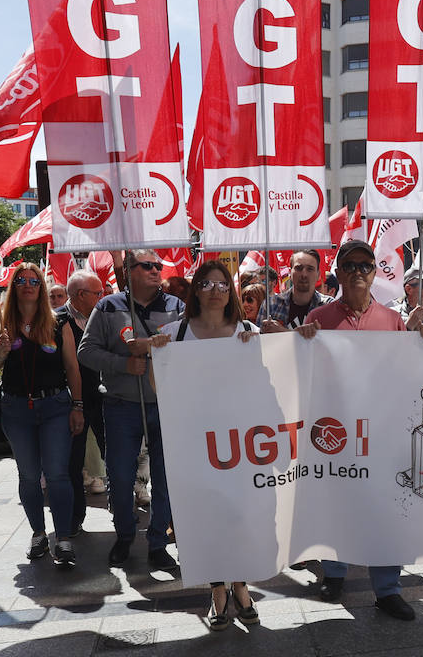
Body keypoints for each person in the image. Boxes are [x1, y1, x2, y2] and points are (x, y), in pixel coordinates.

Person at [302, 239, 423, 621]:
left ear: (376, 273)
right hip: (336, 433)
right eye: (351, 265)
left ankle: (387, 590)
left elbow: (410, 372)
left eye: (366, 265)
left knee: (385, 508)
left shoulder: (393, 321)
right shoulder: (319, 319)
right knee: (336, 501)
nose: (359, 272)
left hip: (382, 433)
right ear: (339, 273)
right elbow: (299, 371)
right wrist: (297, 341)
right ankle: (333, 574)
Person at [152, 260, 262, 629]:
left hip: (241, 443)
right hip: (194, 443)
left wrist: (257, 349)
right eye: (208, 284)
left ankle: (241, 586)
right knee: (203, 517)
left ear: (230, 292)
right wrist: (158, 355)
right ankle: (218, 590)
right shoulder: (174, 333)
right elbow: (158, 389)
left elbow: (267, 382)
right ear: (195, 290)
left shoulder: (248, 330)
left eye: (222, 285)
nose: (216, 291)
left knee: (240, 515)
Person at [78, 249, 185, 571]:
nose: (156, 270)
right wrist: (124, 364)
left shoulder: (177, 307)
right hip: (121, 405)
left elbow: (188, 349)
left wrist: (154, 350)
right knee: (120, 477)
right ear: (129, 271)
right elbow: (87, 351)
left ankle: (157, 542)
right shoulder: (108, 306)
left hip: (166, 405)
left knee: (166, 480)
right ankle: (124, 535)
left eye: (158, 266)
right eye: (148, 266)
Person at [0, 264, 85, 565]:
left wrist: (77, 406)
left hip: (55, 406)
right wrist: (1, 351)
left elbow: (72, 367)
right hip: (16, 408)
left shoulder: (58, 321)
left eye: (34, 281)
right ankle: (38, 533)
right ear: (12, 286)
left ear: (41, 287)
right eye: (21, 281)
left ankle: (63, 537)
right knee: (28, 475)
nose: (28, 285)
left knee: (57, 473)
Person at [59, 270, 107, 535]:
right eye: (97, 293)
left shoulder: (103, 317)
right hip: (71, 403)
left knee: (113, 455)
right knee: (73, 462)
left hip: (103, 398)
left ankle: (121, 511)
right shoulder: (57, 320)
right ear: (80, 295)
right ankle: (76, 516)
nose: (102, 297)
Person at [257, 249, 332, 332]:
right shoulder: (270, 305)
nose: (304, 274)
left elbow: (331, 342)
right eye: (298, 268)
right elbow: (259, 341)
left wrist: (282, 332)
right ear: (290, 272)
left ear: (318, 275)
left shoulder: (330, 306)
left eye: (310, 269)